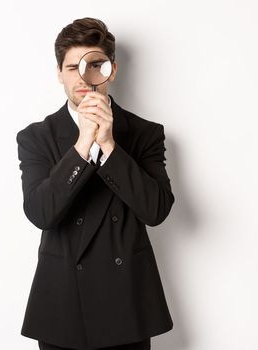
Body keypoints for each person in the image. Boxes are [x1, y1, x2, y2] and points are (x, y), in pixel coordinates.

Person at [16, 17, 176, 350]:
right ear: (59, 73)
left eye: (95, 64)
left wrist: (109, 146)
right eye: (73, 67)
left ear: (112, 70)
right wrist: (82, 145)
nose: (83, 77)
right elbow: (41, 213)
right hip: (62, 306)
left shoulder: (145, 133)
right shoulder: (36, 137)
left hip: (126, 306)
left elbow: (156, 210)